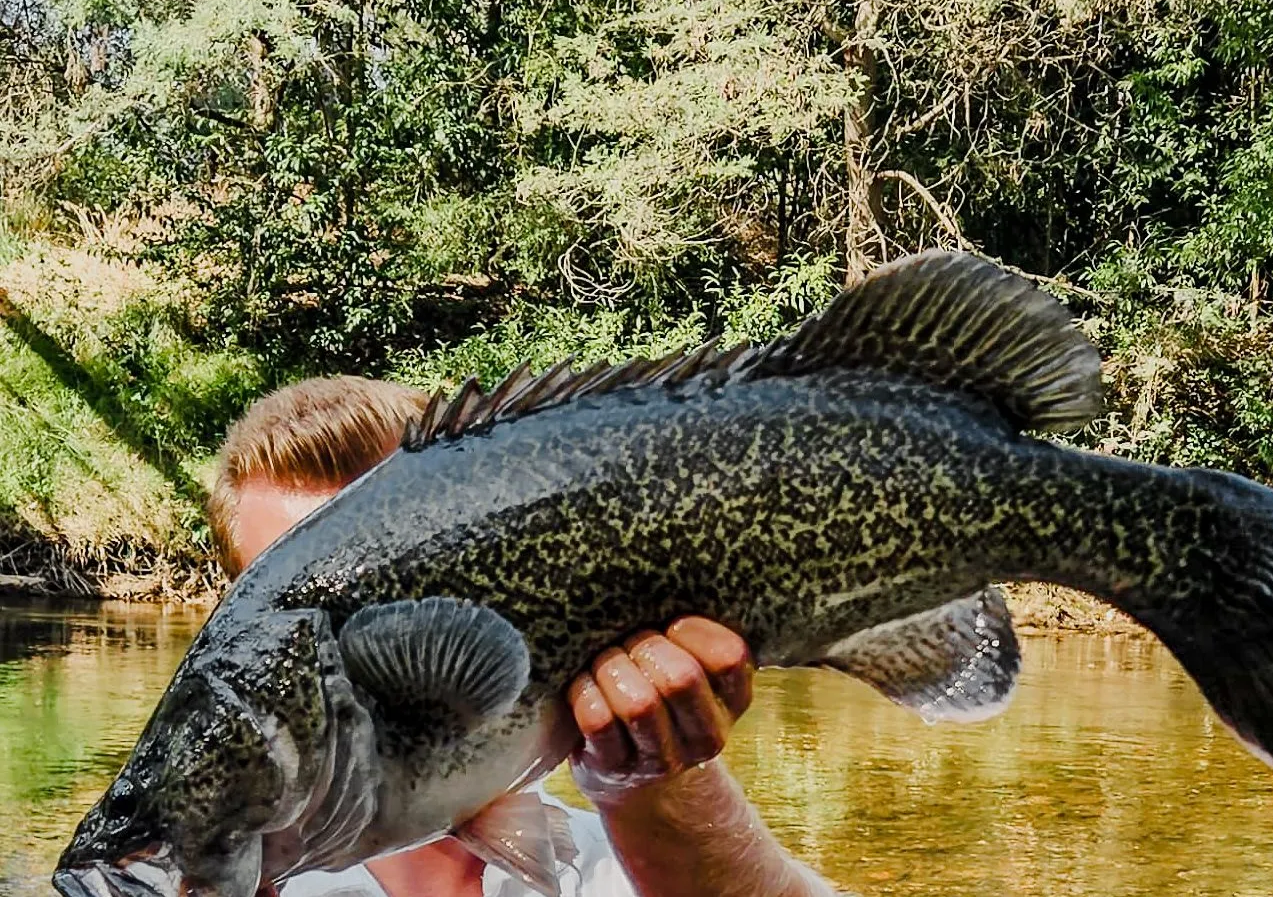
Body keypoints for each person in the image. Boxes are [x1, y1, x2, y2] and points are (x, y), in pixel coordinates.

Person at [207, 375, 836, 897]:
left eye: (409, 588)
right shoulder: (164, 871)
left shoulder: (617, 864)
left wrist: (656, 790)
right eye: (323, 620)